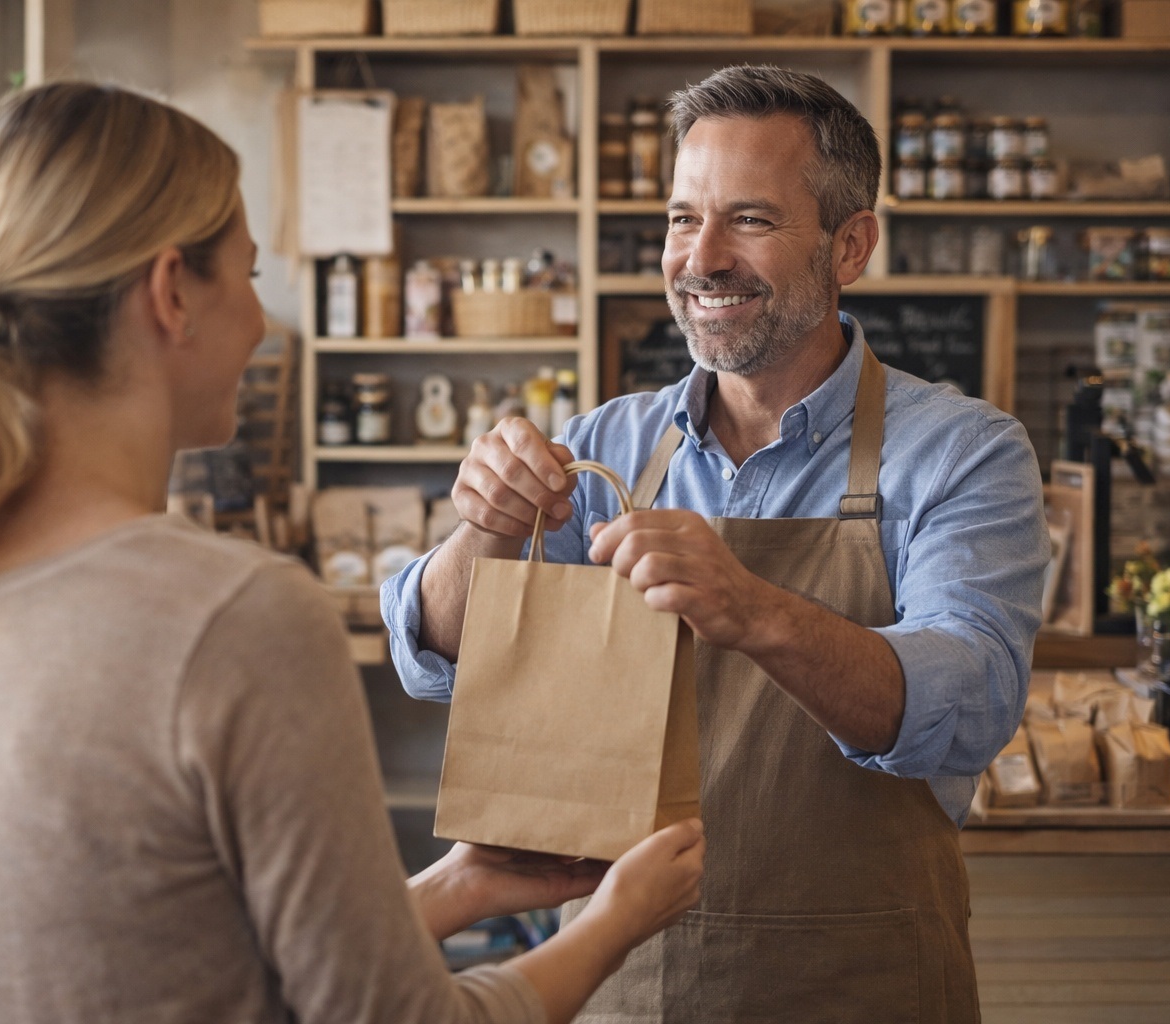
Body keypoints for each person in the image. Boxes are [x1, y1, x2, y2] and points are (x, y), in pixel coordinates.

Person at [0, 82, 705, 1024]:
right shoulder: (235, 618)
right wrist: (612, 922)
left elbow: (149, 963)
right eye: (247, 275)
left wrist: (457, 888)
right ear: (170, 295)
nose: (255, 321)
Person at [383, 64, 1050, 1022]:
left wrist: (754, 609)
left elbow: (972, 700)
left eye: (751, 219)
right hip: (625, 983)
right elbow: (440, 659)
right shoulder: (610, 445)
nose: (703, 257)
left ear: (851, 244)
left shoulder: (961, 451)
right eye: (682, 218)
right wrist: (479, 533)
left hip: (863, 984)